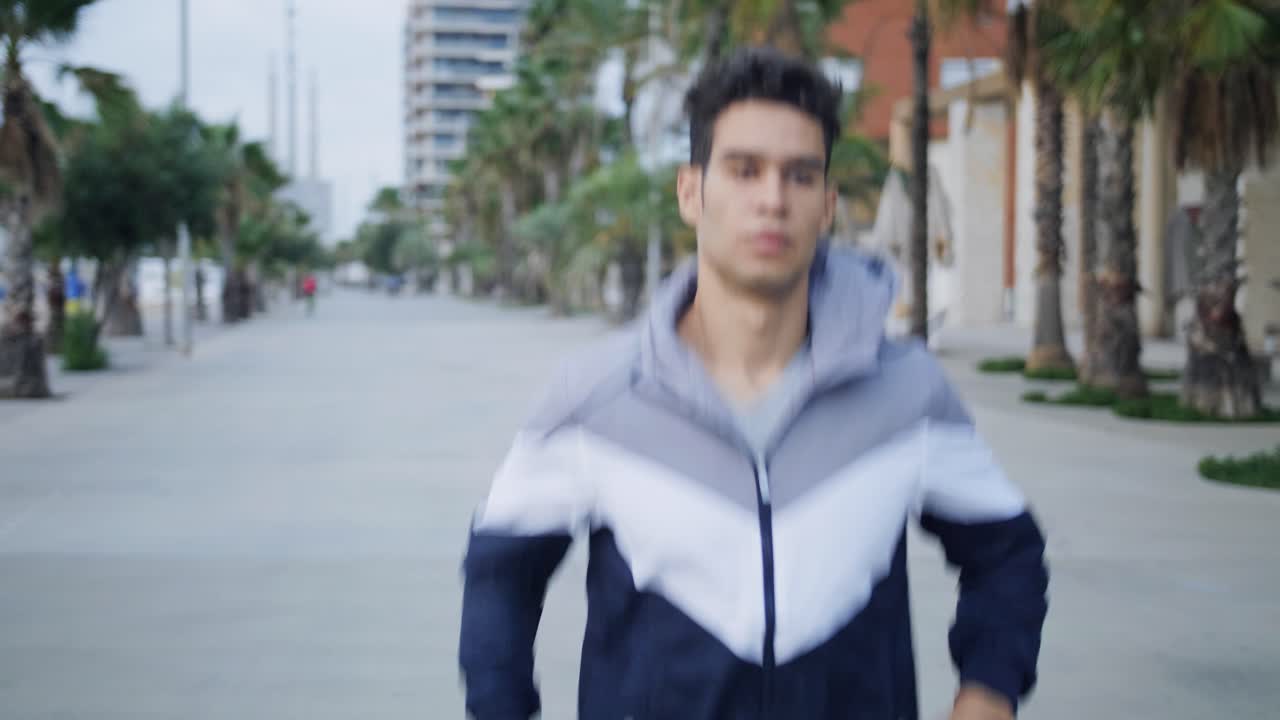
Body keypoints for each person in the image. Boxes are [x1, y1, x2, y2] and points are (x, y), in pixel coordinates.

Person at [459, 47, 1048, 720]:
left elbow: (1009, 553)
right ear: (691, 191)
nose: (773, 199)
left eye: (800, 176)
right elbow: (499, 578)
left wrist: (988, 693)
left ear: (826, 205)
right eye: (744, 170)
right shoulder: (596, 395)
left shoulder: (907, 392)